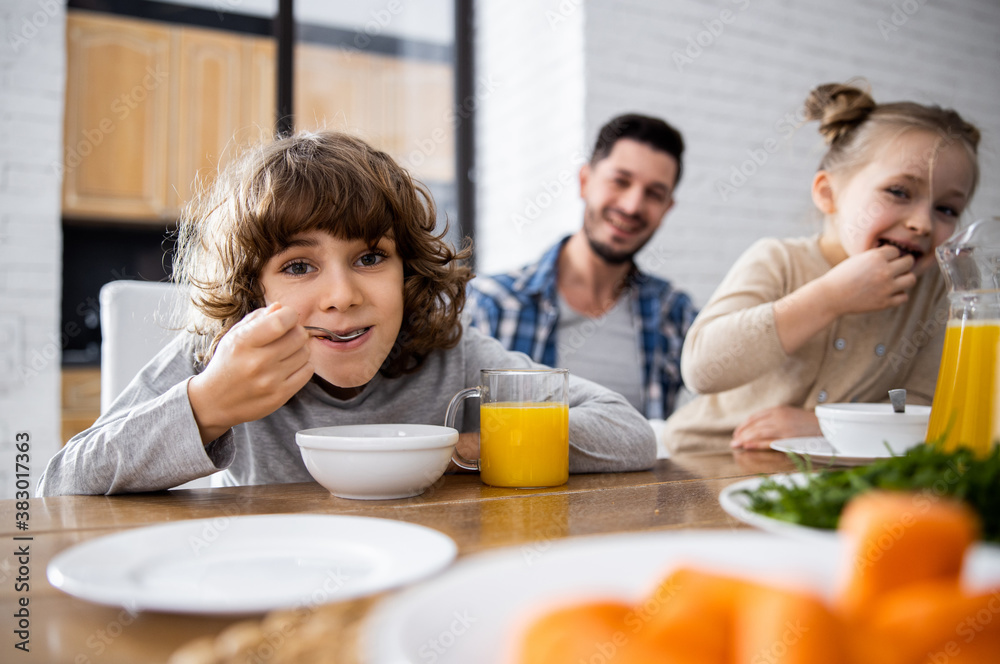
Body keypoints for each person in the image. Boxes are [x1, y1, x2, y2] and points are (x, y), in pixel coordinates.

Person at [38, 131, 656, 496]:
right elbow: (60, 483)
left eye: (369, 258)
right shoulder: (221, 361)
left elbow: (628, 433)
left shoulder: (453, 354)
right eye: (299, 267)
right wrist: (208, 406)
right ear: (253, 292)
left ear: (406, 272)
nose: (341, 296)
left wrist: (472, 446)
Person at [662, 82, 980, 452]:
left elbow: (926, 410)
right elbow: (701, 369)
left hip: (823, 472)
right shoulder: (778, 260)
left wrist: (820, 425)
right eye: (899, 192)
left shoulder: (936, 295)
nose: (922, 224)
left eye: (946, 209)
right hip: (704, 460)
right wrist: (830, 297)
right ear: (828, 193)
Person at [465, 114, 697, 420]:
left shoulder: (673, 314)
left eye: (654, 194)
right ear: (584, 181)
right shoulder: (489, 303)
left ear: (667, 208)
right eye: (620, 181)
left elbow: (739, 395)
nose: (632, 206)